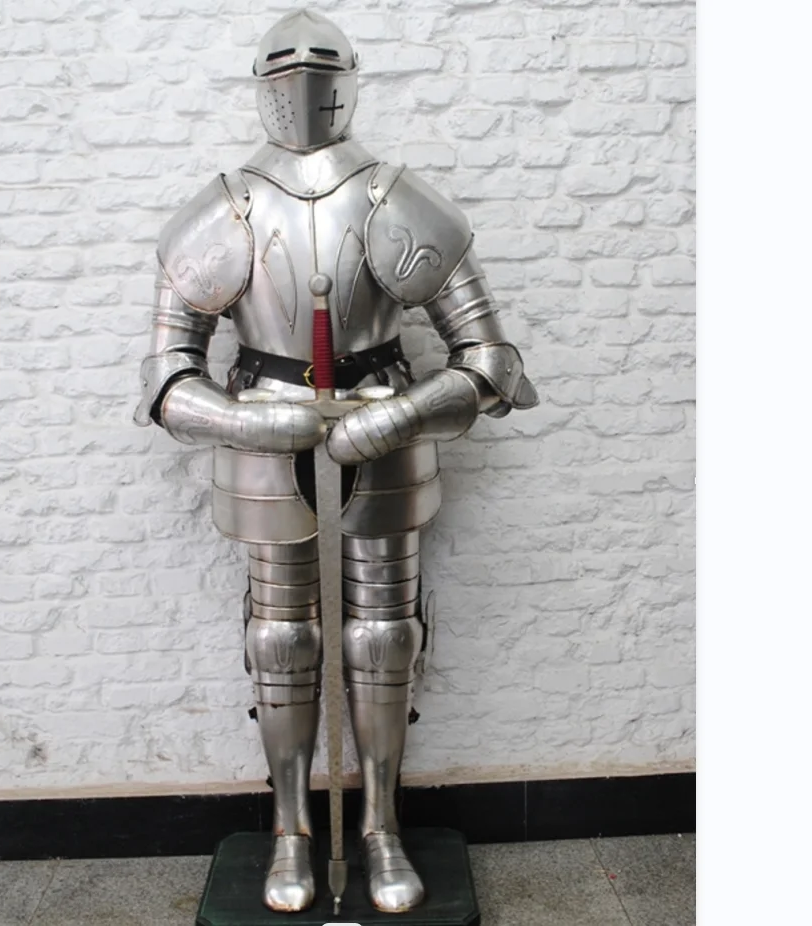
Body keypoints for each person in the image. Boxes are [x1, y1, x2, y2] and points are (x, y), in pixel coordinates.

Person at [133, 9, 538, 914]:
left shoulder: (397, 199)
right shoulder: (222, 209)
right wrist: (251, 424)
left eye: (322, 67)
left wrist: (400, 412)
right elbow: (164, 381)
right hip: (265, 436)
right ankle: (291, 829)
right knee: (280, 639)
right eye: (287, 68)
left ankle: (380, 826)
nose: (304, 82)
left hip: (381, 427)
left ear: (349, 81)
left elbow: (492, 365)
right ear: (262, 86)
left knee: (382, 635)